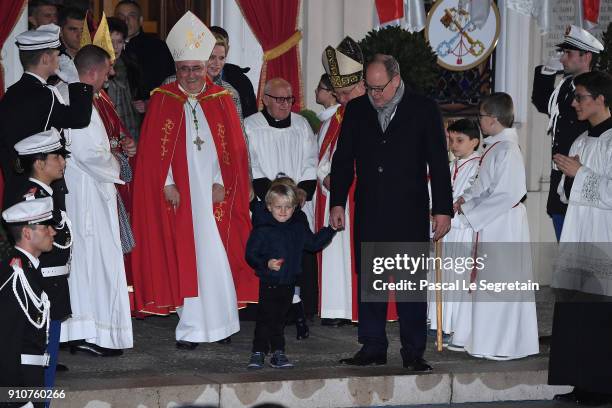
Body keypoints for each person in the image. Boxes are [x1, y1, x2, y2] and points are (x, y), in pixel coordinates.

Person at [130, 12, 254, 349]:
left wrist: (220, 180)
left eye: (196, 68)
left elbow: (232, 149)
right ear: (177, 69)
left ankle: (224, 323)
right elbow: (155, 150)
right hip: (180, 195)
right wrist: (166, 182)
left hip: (213, 193)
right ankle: (191, 329)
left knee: (217, 253)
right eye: (184, 69)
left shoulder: (222, 99)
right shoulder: (163, 99)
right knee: (184, 256)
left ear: (206, 67)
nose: (191, 75)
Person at [330, 54, 452, 371]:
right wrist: (337, 201)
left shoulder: (423, 108)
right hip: (370, 208)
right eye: (369, 88)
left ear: (396, 80)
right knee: (372, 280)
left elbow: (438, 163)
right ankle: (372, 346)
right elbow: (343, 160)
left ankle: (413, 351)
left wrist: (442, 209)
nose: (374, 95)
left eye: (379, 88)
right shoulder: (356, 110)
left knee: (411, 283)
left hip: (409, 209)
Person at [454, 93, 539, 361]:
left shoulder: (507, 150)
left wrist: (471, 210)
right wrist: (466, 199)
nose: (479, 120)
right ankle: (481, 339)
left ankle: (502, 344)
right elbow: (485, 186)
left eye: (481, 116)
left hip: (503, 224)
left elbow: (510, 192)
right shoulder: (495, 147)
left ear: (492, 119)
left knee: (500, 283)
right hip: (492, 222)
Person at [60, 45, 132, 356]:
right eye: (107, 70)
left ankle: (85, 332)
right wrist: (120, 163)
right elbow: (89, 153)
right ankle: (89, 333)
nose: (110, 74)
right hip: (87, 196)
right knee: (92, 263)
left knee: (91, 263)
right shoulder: (79, 100)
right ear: (92, 72)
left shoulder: (79, 96)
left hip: (90, 191)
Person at [548, 71, 612, 405]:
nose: (574, 103)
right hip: (578, 234)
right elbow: (564, 192)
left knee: (600, 314)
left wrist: (580, 173)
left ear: (601, 99)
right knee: (577, 312)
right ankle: (580, 381)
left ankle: (602, 386)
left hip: (604, 239)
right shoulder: (581, 141)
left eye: (581, 97)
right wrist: (569, 177)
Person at [245, 77, 319, 335]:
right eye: (279, 99)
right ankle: (269, 311)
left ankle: (300, 311)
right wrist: (274, 196)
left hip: (297, 204)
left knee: (298, 258)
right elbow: (251, 162)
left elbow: (311, 160)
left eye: (289, 99)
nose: (285, 104)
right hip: (268, 205)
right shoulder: (251, 125)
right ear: (264, 99)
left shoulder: (301, 125)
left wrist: (301, 193)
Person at [8, 129, 73, 390]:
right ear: (39, 162)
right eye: (57, 157)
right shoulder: (34, 198)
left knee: (45, 361)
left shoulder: (46, 194)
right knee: (37, 364)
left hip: (52, 285)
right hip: (43, 285)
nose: (63, 162)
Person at [0, 23, 93, 208]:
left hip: (16, 186)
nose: (60, 60)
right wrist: (75, 82)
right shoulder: (45, 95)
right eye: (57, 56)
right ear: (45, 59)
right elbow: (79, 118)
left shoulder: (11, 94)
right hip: (40, 188)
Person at [246, 183, 335, 369]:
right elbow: (251, 255)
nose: (283, 211)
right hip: (269, 282)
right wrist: (266, 263)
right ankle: (258, 351)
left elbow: (313, 244)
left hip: (288, 283)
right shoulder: (262, 229)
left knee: (279, 321)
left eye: (288, 207)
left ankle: (278, 353)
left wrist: (331, 229)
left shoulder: (298, 229)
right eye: (279, 207)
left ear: (294, 208)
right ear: (269, 206)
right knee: (264, 319)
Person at [532, 25, 604, 241]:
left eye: (568, 54)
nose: (563, 59)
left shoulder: (599, 91)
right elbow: (543, 103)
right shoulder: (565, 85)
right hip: (561, 180)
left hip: (584, 178)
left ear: (586, 56)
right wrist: (546, 72)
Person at [316, 38, 364, 327]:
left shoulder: (375, 114)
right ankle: (336, 309)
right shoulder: (334, 119)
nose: (342, 99)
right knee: (336, 253)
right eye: (338, 93)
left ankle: (361, 310)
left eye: (346, 92)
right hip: (337, 196)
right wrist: (327, 177)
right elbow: (321, 157)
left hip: (363, 196)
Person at [427, 119, 480, 351]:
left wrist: (451, 212)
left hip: (461, 231)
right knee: (440, 278)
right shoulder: (449, 166)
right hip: (444, 229)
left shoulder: (478, 166)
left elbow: (470, 197)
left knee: (457, 280)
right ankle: (439, 323)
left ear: (475, 142)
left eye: (460, 140)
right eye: (451, 140)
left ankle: (455, 326)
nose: (454, 145)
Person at [0, 197, 56, 407]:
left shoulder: (28, 271)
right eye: (46, 227)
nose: (53, 232)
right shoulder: (16, 276)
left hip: (32, 380)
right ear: (27, 233)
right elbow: (5, 344)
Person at [114, 0, 175, 101]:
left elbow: (168, 83)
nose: (126, 21)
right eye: (121, 16)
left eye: (131, 16)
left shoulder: (158, 48)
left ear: (141, 20)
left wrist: (148, 102)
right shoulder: (105, 47)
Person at [106, 16, 145, 141]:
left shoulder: (131, 66)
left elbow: (141, 94)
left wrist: (144, 103)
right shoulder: (96, 69)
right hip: (106, 124)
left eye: (119, 41)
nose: (115, 47)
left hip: (132, 126)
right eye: (111, 42)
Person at [210, 25, 258, 118]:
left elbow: (249, 119)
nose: (216, 63)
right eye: (212, 57)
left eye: (221, 57)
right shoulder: (188, 82)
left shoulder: (240, 82)